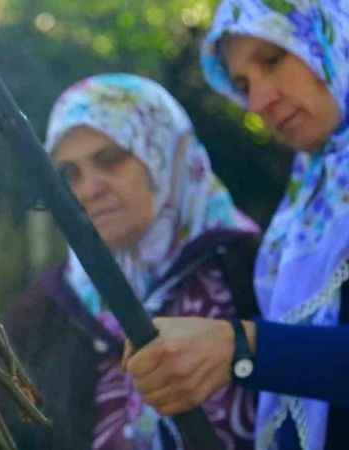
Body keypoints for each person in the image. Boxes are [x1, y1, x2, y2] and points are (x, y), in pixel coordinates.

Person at [123, 2, 349, 450]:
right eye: (243, 85)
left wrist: (244, 348)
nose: (259, 101)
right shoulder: (305, 209)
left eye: (272, 59)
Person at [0, 73, 260, 450]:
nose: (88, 188)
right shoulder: (43, 313)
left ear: (166, 152)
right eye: (69, 174)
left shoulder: (260, 273)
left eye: (110, 159)